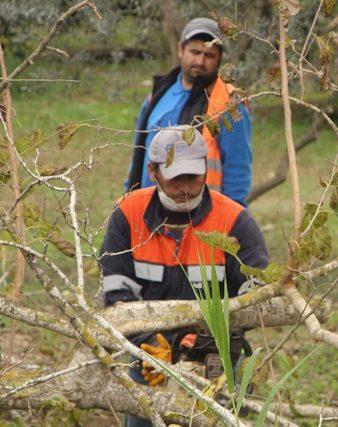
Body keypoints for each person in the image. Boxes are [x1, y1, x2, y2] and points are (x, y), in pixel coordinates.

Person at [101, 126, 268, 426]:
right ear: (153, 171)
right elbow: (116, 297)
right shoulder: (128, 214)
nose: (187, 187)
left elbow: (257, 296)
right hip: (151, 355)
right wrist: (146, 341)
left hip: (219, 358)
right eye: (177, 178)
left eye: (193, 176)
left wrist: (213, 334)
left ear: (205, 167)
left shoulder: (234, 221)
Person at [125, 17, 252, 206]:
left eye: (209, 55)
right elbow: (137, 156)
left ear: (219, 59)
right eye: (195, 52)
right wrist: (128, 202)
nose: (200, 61)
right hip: (149, 212)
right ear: (180, 50)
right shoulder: (158, 93)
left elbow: (238, 171)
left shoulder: (228, 103)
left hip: (200, 217)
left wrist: (231, 223)